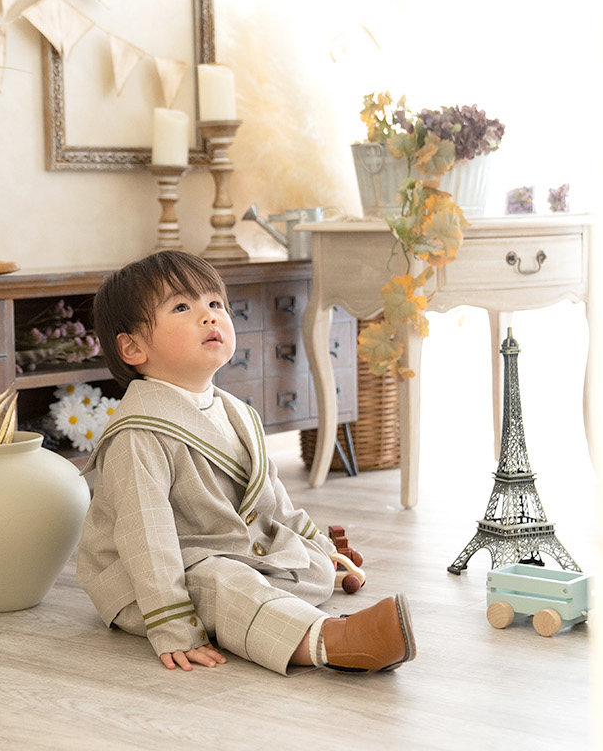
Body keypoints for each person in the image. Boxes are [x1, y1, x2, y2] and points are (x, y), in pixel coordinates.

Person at [77, 250, 416, 675]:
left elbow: (275, 503)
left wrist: (321, 547)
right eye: (181, 307)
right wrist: (173, 625)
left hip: (226, 550)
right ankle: (332, 642)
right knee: (225, 583)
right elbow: (146, 539)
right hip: (148, 579)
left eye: (215, 303)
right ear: (133, 347)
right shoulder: (137, 434)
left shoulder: (239, 413)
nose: (209, 316)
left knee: (304, 563)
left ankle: (261, 610)